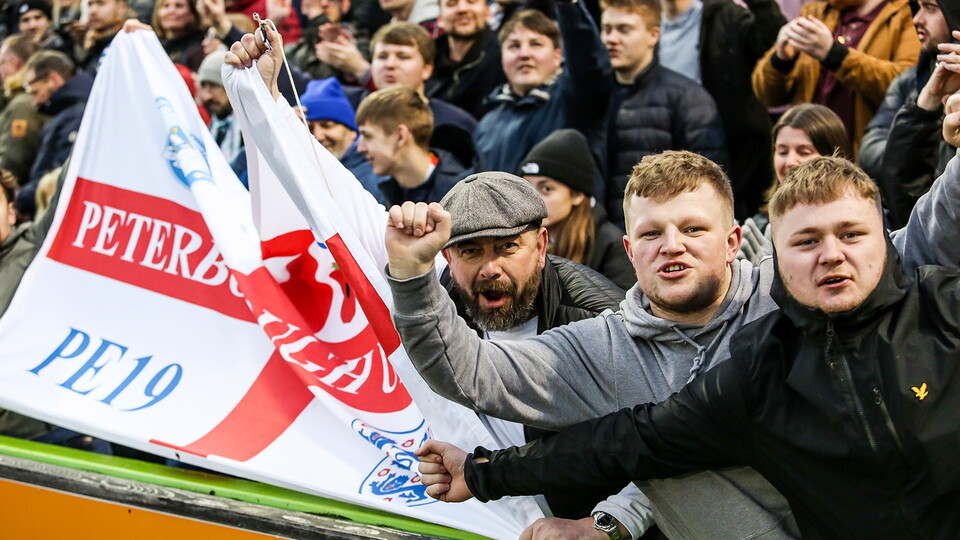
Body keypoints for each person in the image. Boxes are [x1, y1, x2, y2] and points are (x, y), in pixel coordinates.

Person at [414, 152, 960, 539]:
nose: (672, 246)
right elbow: (626, 440)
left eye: (693, 229)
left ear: (730, 242)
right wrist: (411, 272)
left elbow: (930, 227)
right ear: (629, 249)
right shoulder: (628, 352)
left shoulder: (814, 295)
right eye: (652, 234)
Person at [599, 0, 727, 227]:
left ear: (653, 35)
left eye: (624, 29)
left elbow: (707, 183)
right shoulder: (593, 95)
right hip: (598, 240)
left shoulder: (688, 98)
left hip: (659, 235)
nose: (612, 39)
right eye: (607, 29)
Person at [656, 0, 787, 220]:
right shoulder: (640, 21)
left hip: (738, 165)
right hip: (668, 161)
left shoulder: (725, 16)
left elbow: (772, 45)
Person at [751, 0, 919, 152]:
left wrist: (834, 55)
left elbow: (909, 87)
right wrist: (781, 60)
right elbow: (767, 95)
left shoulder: (907, 13)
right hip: (808, 157)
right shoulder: (817, 10)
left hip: (867, 158)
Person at [472, 6, 609, 174]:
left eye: (536, 44)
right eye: (514, 46)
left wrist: (569, 6)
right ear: (502, 58)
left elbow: (587, 61)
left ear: (558, 56)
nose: (524, 54)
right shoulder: (487, 125)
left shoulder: (574, 100)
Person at [859, 3, 958, 229]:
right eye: (918, 7)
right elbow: (907, 203)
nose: (916, 19)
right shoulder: (911, 83)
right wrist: (926, 106)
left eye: (931, 8)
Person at [518, 129, 634, 289]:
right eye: (527, 188)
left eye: (546, 189)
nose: (533, 199)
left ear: (577, 195)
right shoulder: (524, 241)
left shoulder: (612, 247)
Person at [740, 103, 851, 264]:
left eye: (804, 152)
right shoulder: (761, 225)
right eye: (783, 152)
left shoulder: (864, 217)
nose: (790, 162)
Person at [356, 86, 470, 206]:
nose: (360, 148)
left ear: (400, 136)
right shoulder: (380, 196)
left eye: (368, 136)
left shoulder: (463, 195)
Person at [17, 50, 92, 218]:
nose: (34, 102)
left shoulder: (75, 115)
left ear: (53, 79)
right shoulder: (68, 113)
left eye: (35, 92)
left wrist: (21, 199)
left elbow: (60, 174)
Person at [298, 76, 386, 198]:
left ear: (352, 131)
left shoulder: (378, 176)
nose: (318, 136)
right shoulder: (305, 174)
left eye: (327, 125)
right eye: (310, 129)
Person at [425, 0, 505, 119]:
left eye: (471, 1)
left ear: (488, 12)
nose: (462, 9)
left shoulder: (503, 57)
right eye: (452, 3)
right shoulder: (427, 60)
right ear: (440, 19)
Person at [0, 34, 44, 187]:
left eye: (2, 62)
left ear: (15, 63)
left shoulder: (22, 104)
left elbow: (14, 160)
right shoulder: (19, 100)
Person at [197, 48, 244, 166]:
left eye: (213, 85)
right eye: (204, 86)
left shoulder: (250, 131)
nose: (207, 96)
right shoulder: (212, 127)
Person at [73, 0, 130, 74]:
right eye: (90, 4)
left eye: (101, 3)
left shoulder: (130, 42)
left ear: (121, 7)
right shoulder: (93, 42)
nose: (92, 11)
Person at [151, 0, 206, 71]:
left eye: (179, 6)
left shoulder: (201, 48)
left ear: (193, 14)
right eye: (166, 6)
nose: (171, 11)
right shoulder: (153, 45)